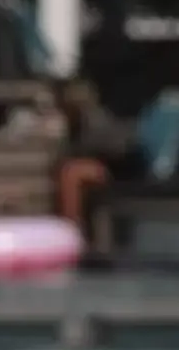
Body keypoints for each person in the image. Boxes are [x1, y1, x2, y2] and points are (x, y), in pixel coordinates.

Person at [52, 78, 142, 257]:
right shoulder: (73, 125)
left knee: (71, 174)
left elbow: (118, 150)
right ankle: (71, 227)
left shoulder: (97, 119)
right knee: (69, 172)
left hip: (118, 169)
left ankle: (72, 230)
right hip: (100, 166)